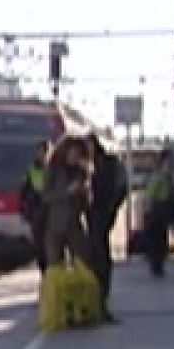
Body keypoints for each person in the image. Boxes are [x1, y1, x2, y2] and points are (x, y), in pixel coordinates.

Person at [85, 135, 127, 322]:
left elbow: (121, 186)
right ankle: (96, 297)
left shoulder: (109, 163)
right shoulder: (84, 164)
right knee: (95, 253)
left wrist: (112, 206)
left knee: (99, 252)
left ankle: (101, 295)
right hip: (90, 215)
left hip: (102, 213)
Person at [42, 135, 94, 272]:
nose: (75, 157)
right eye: (73, 153)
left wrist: (85, 193)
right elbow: (46, 196)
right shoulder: (53, 170)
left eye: (78, 154)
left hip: (75, 225)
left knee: (82, 263)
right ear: (65, 152)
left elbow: (87, 204)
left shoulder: (82, 172)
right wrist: (67, 191)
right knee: (55, 265)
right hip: (55, 224)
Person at [141, 149, 174, 278]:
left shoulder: (167, 177)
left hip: (162, 212)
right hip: (157, 212)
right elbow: (150, 196)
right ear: (163, 162)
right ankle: (156, 265)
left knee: (161, 239)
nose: (171, 165)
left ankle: (158, 265)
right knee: (157, 239)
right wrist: (148, 211)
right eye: (169, 162)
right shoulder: (158, 177)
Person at [19, 141, 51, 272]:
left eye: (44, 152)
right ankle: (44, 273)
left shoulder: (55, 168)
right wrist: (25, 211)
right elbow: (23, 192)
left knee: (52, 246)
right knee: (39, 246)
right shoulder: (31, 170)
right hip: (37, 212)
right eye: (40, 152)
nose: (42, 155)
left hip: (52, 212)